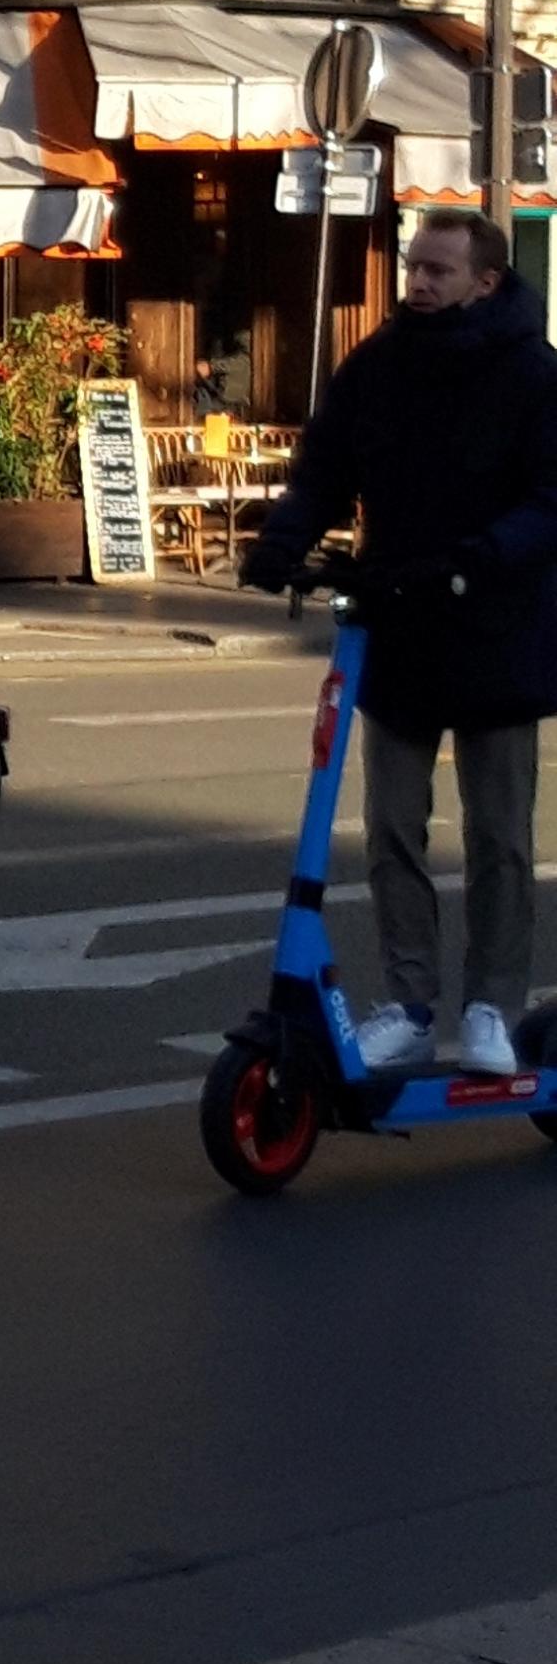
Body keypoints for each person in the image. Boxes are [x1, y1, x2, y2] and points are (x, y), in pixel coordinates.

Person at [240, 209, 557, 1078]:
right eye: (411, 268)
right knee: (390, 828)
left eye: (436, 272)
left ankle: (492, 1003)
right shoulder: (378, 365)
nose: (415, 284)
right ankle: (411, 1004)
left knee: (496, 834)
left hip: (492, 624)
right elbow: (325, 467)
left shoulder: (530, 373)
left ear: (484, 282)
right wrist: (280, 542)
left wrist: (484, 555)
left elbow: (548, 499)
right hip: (398, 620)